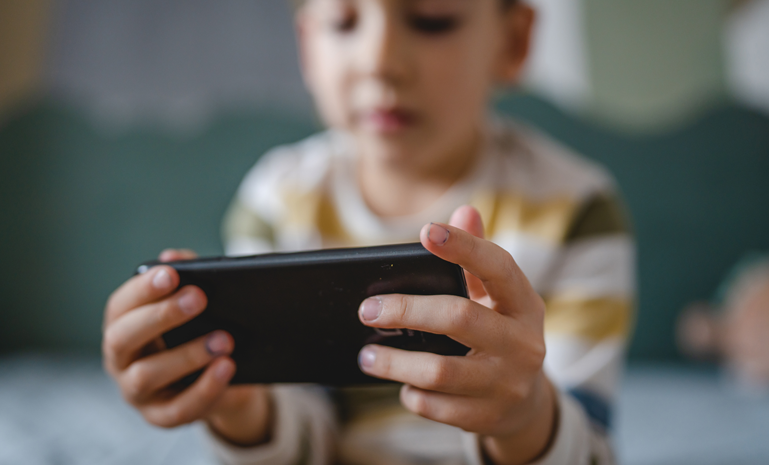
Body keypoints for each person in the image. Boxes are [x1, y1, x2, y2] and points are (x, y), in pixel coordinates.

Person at [101, 0, 635, 463]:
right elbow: (300, 435)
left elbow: (587, 447)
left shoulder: (577, 210)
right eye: (343, 20)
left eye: (432, 20)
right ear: (308, 46)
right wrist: (239, 405)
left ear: (513, 40)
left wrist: (525, 417)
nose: (380, 61)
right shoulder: (279, 200)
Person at [678, 253, 769, 393]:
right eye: (699, 339)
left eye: (701, 325)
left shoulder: (742, 288)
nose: (706, 333)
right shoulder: (739, 372)